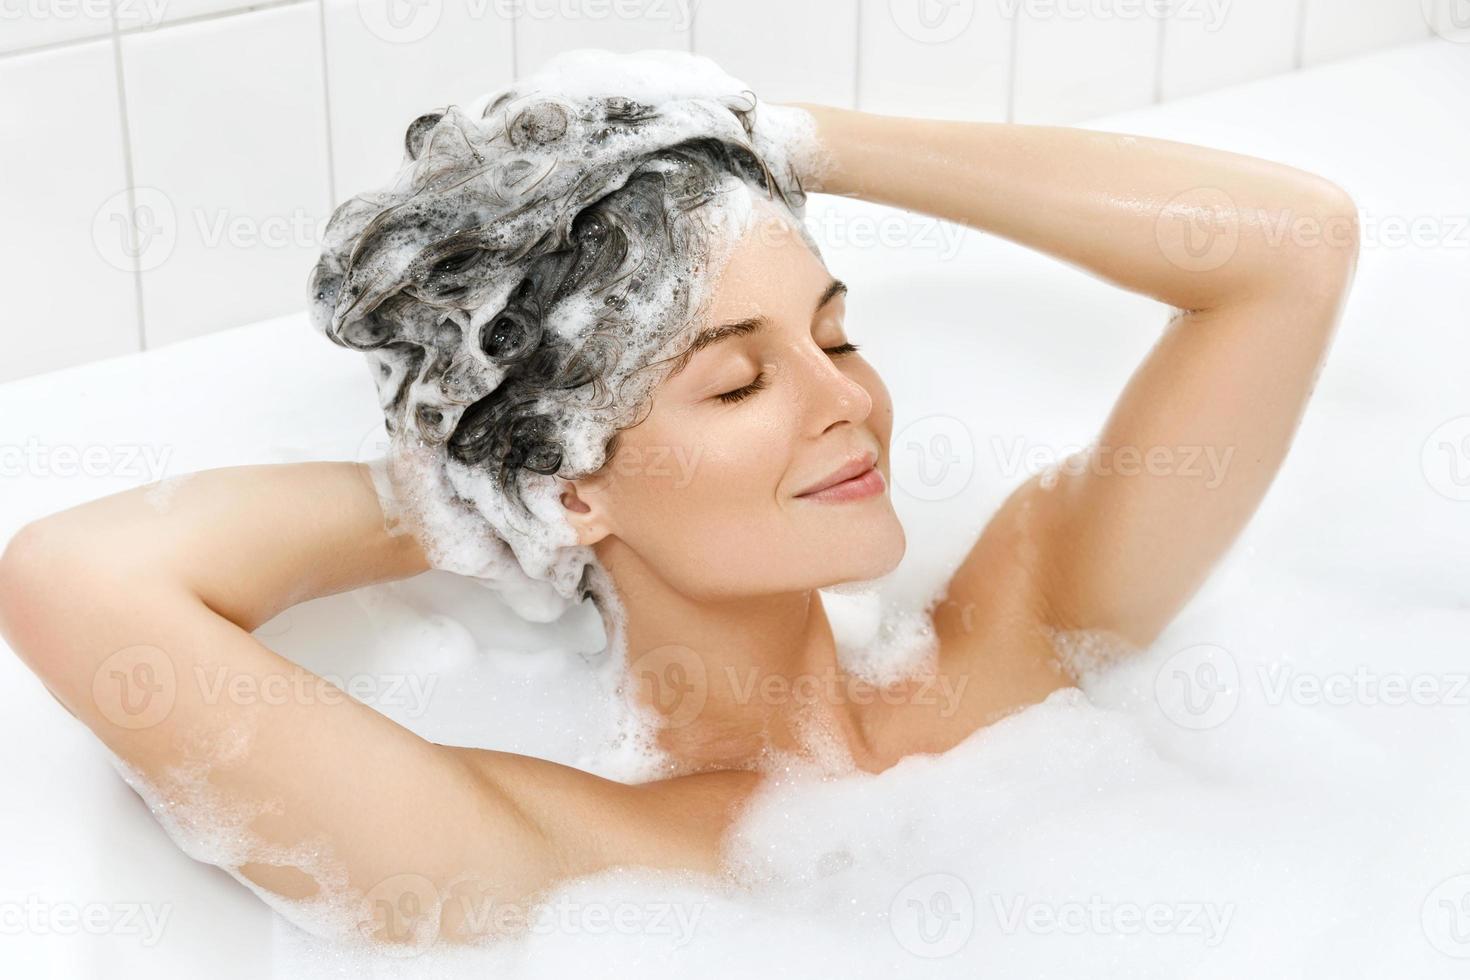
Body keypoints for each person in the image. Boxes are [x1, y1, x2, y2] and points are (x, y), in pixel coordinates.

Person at [0, 62, 1359, 949]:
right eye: (734, 384)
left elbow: (1286, 251)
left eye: (835, 336)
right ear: (577, 482)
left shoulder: (1018, 648)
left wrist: (774, 142)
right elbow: (78, 575)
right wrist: (498, 479)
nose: (844, 402)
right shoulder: (552, 865)